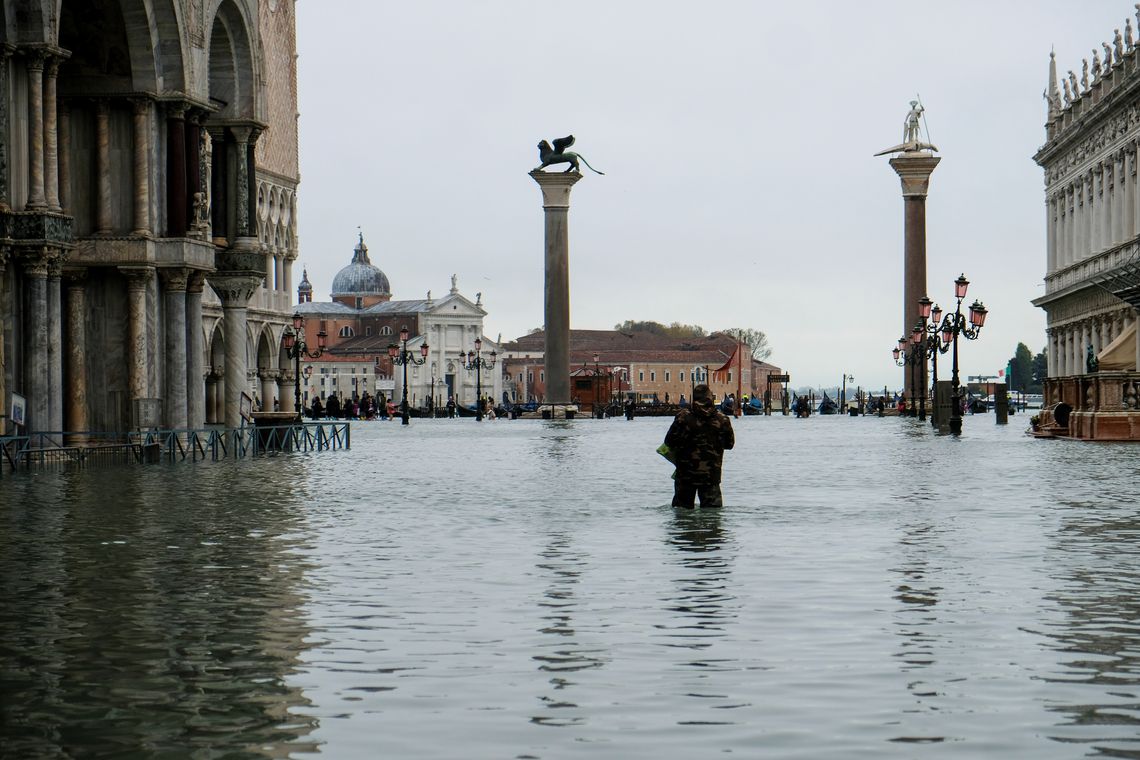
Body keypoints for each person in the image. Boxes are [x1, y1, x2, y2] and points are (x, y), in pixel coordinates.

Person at [664, 384, 734, 509]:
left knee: (682, 516)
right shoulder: (722, 419)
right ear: (710, 398)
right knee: (713, 517)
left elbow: (669, 442)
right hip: (711, 475)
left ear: (694, 398)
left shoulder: (682, 418)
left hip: (685, 475)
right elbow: (729, 445)